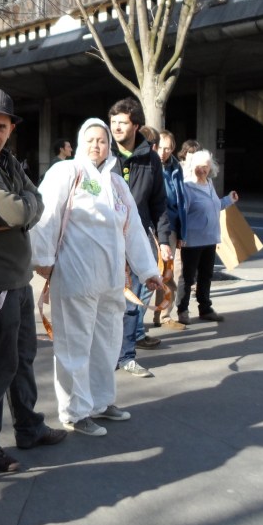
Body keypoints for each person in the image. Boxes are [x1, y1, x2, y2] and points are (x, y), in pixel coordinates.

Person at [0, 87, 66, 473]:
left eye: (1, 127)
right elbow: (18, 211)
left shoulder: (6, 162)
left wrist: (21, 206)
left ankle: (28, 427)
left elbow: (33, 202)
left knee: (22, 358)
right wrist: (20, 207)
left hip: (17, 279)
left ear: (10, 130)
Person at [31, 118, 162, 436]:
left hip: (111, 282)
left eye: (102, 140)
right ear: (78, 143)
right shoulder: (67, 173)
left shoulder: (116, 184)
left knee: (106, 344)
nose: (96, 145)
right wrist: (43, 261)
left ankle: (102, 403)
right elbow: (45, 216)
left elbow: (132, 230)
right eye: (90, 139)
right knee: (75, 347)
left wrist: (148, 271)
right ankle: (75, 412)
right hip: (75, 279)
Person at [108, 98, 171, 378]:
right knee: (106, 301)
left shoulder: (150, 159)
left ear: (135, 125)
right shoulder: (102, 154)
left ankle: (127, 356)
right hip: (104, 241)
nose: (116, 128)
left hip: (136, 239)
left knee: (133, 301)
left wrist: (165, 239)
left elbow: (159, 203)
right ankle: (105, 355)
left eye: (122, 122)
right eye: (113, 123)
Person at [178, 149, 239, 324]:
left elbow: (215, 206)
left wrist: (229, 200)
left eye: (205, 167)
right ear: (192, 167)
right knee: (188, 278)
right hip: (192, 241)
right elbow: (182, 214)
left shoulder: (209, 183)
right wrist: (181, 236)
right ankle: (182, 310)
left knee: (206, 275)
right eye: (199, 167)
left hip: (210, 238)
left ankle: (205, 308)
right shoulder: (187, 187)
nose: (202, 170)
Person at [153, 131, 189, 330]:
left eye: (167, 147)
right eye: (160, 147)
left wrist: (183, 232)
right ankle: (135, 320)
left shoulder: (175, 167)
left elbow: (181, 199)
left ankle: (164, 314)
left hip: (172, 225)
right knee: (149, 272)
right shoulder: (150, 164)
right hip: (154, 225)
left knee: (168, 273)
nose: (163, 152)